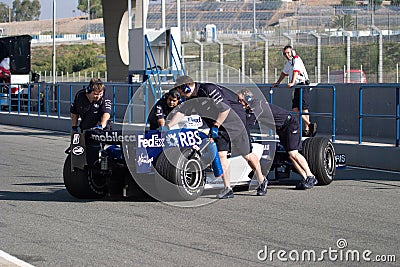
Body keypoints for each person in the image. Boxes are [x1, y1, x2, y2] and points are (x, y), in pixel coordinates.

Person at [167, 75, 268, 199]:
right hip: (219, 126)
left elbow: (224, 109)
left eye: (181, 91)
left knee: (246, 155)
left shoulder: (208, 89)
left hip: (235, 122)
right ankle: (227, 188)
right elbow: (181, 112)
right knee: (221, 155)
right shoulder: (191, 99)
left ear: (187, 87)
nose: (181, 95)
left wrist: (215, 126)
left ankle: (262, 180)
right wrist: (168, 126)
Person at [237, 89, 317, 190]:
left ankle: (310, 176)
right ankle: (305, 178)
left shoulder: (257, 107)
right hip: (281, 128)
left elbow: (245, 124)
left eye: (240, 100)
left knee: (294, 153)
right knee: (291, 156)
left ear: (247, 99)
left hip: (289, 125)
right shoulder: (251, 108)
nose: (239, 102)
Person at [272, 45, 317, 137]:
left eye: (288, 53)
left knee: (303, 107)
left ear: (292, 52)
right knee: (295, 109)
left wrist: (292, 82)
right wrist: (277, 82)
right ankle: (309, 125)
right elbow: (283, 73)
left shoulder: (296, 59)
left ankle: (307, 129)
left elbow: (296, 71)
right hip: (297, 87)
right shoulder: (289, 63)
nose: (287, 55)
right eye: (285, 53)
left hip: (302, 84)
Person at [70, 78, 112, 165]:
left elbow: (106, 113)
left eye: (100, 94)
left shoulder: (104, 97)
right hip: (85, 127)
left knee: (96, 150)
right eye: (95, 94)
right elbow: (74, 113)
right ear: (89, 91)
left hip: (100, 128)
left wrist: (101, 126)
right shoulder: (80, 96)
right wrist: (74, 127)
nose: (98, 97)